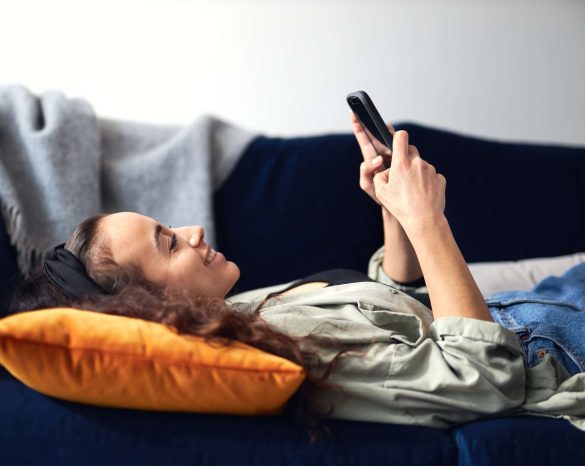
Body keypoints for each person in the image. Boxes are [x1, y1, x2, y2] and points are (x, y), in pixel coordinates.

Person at [7, 114, 585, 436]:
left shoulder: (243, 314)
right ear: (151, 307)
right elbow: (483, 378)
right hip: (555, 344)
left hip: (532, 305)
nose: (194, 231)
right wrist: (427, 219)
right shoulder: (285, 357)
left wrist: (392, 211)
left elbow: (396, 308)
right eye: (169, 243)